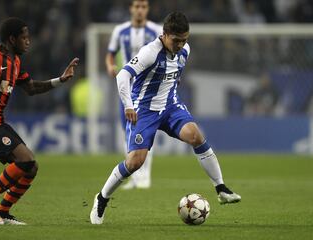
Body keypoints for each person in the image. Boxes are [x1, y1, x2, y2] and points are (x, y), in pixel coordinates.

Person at [90, 12, 241, 225]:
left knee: (195, 135)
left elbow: (172, 76)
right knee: (135, 162)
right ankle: (102, 198)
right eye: (176, 40)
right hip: (144, 110)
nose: (180, 44)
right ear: (164, 35)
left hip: (170, 106)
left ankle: (221, 188)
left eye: (184, 40)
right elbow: (123, 75)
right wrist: (128, 105)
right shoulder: (149, 53)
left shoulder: (185, 51)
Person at [0, 17, 79, 225]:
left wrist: (60, 80)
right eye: (24, 37)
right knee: (25, 159)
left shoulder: (16, 62)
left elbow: (31, 88)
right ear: (12, 39)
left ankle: (2, 212)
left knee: (31, 167)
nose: (28, 41)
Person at [106, 0, 161, 189]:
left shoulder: (156, 30)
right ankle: (135, 176)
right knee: (128, 131)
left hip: (149, 88)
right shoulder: (120, 31)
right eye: (137, 6)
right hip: (127, 88)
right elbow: (110, 54)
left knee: (146, 130)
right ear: (131, 9)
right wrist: (110, 66)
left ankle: (145, 177)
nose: (140, 10)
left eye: (143, 6)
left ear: (147, 9)